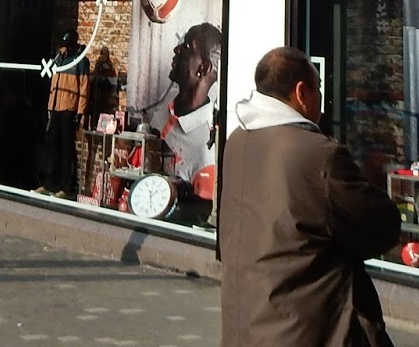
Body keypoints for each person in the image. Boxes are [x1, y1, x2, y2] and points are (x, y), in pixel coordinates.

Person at [220, 46, 400, 347]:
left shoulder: (237, 140)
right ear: (301, 92)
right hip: (305, 327)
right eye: (318, 89)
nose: (322, 100)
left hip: (248, 323)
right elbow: (379, 225)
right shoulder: (318, 154)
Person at [161, 22, 223, 189]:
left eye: (187, 46)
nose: (177, 49)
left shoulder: (206, 152)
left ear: (203, 68)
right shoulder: (164, 112)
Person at [35, 30, 88, 199]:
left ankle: (66, 186)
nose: (61, 49)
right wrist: (50, 106)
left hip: (69, 109)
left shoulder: (80, 61)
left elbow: (84, 87)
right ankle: (50, 183)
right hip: (56, 107)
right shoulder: (58, 60)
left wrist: (80, 112)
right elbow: (53, 84)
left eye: (64, 46)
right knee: (52, 147)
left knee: (66, 149)